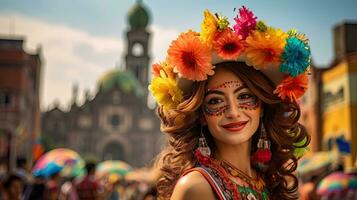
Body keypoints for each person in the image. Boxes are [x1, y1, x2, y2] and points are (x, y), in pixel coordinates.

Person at [149, 5, 311, 200]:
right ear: (201, 115)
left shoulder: (268, 181)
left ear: (261, 106)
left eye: (244, 96)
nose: (233, 112)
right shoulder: (196, 187)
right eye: (216, 101)